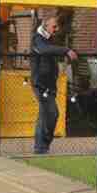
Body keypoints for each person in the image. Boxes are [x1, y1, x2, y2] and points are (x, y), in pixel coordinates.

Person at [28, 13, 77, 155]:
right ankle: (41, 147)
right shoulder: (37, 39)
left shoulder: (48, 39)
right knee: (51, 113)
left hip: (49, 85)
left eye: (57, 27)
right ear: (45, 25)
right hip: (40, 85)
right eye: (54, 27)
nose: (56, 29)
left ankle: (41, 147)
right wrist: (66, 50)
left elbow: (50, 52)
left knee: (47, 115)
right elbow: (43, 50)